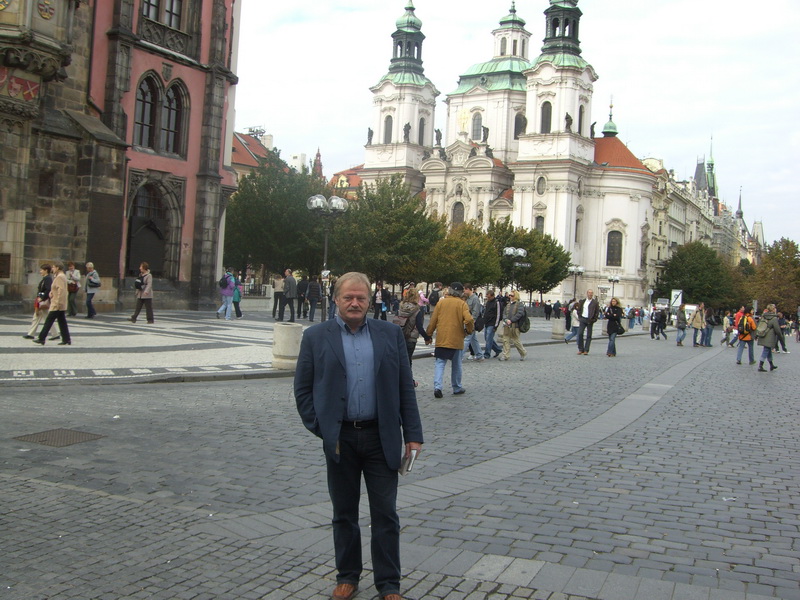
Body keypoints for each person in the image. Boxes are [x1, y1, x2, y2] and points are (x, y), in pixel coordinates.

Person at [294, 272, 423, 600]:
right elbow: (303, 389)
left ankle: (389, 584)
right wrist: (323, 428)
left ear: (369, 300)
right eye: (348, 297)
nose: (354, 303)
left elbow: (404, 386)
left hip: (381, 437)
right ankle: (347, 576)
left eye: (360, 298)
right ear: (336, 299)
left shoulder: (389, 334)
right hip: (341, 439)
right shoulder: (315, 337)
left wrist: (413, 434)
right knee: (344, 513)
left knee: (385, 514)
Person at [425, 282, 473, 397]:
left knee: (440, 363)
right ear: (460, 292)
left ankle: (437, 387)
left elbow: (433, 321)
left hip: (442, 337)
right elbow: (469, 319)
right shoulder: (462, 304)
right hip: (456, 338)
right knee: (456, 364)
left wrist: (428, 335)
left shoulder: (441, 303)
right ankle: (456, 387)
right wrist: (468, 331)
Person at [396, 287, 432, 387]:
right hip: (411, 337)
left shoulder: (400, 307)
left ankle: (400, 380)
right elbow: (419, 327)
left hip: (399, 336)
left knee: (400, 360)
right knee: (408, 361)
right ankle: (409, 381)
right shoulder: (417, 310)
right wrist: (427, 337)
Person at [34, 261, 71, 346]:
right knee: (62, 322)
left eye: (54, 267)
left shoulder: (60, 277)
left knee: (49, 321)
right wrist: (51, 292)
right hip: (59, 303)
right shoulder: (60, 276)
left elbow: (61, 291)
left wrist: (58, 302)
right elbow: (56, 289)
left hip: (57, 303)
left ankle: (41, 338)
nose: (52, 269)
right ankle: (66, 339)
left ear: (58, 268)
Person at [23, 264, 53, 340]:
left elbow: (48, 289)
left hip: (43, 301)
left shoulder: (48, 278)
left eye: (41, 270)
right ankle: (31, 334)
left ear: (46, 270)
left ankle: (55, 334)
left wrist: (42, 298)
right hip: (41, 300)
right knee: (38, 317)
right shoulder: (45, 278)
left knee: (44, 318)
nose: (40, 271)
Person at [500, 289, 527, 361]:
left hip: (515, 326)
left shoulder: (520, 304)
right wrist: (506, 319)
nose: (510, 296)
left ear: (516, 296)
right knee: (505, 340)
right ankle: (506, 355)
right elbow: (504, 313)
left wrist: (511, 320)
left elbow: (519, 314)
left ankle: (523, 353)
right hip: (507, 325)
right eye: (509, 295)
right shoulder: (508, 304)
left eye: (512, 295)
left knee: (516, 341)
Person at [756, 304, 784, 372]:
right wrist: (781, 337)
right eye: (775, 308)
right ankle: (760, 365)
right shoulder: (774, 318)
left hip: (763, 334)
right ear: (773, 309)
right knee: (766, 350)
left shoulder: (764, 316)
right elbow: (777, 329)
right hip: (770, 337)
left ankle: (771, 365)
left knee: (768, 350)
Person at [463, 284, 484, 362]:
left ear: (468, 289)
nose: (464, 291)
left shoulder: (475, 298)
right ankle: (479, 355)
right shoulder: (468, 298)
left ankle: (459, 356)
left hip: (471, 322)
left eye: (464, 289)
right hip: (468, 321)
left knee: (467, 339)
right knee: (473, 340)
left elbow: (475, 312)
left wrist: (470, 322)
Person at [576, 289, 600, 355]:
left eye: (591, 293)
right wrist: (580, 317)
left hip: (590, 320)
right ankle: (581, 349)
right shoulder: (582, 301)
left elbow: (597, 312)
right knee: (580, 333)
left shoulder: (595, 302)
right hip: (583, 319)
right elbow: (579, 309)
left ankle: (586, 350)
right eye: (589, 293)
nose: (590, 294)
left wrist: (594, 319)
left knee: (589, 335)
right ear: (587, 293)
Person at [481, 290, 503, 358]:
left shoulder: (497, 303)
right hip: (487, 322)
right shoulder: (488, 302)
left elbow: (498, 315)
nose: (488, 298)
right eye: (487, 297)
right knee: (487, 338)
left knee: (488, 338)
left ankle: (487, 353)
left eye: (489, 297)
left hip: (492, 323)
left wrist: (496, 326)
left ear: (493, 296)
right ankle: (498, 349)